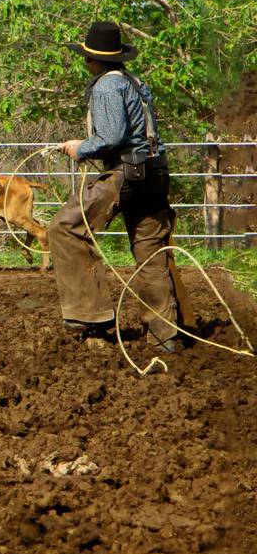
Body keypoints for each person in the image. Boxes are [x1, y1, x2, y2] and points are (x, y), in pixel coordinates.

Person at [50, 21, 188, 352]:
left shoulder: (106, 87)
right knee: (148, 251)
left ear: (93, 60)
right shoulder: (135, 83)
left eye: (86, 57)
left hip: (128, 173)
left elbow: (111, 137)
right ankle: (165, 333)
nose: (85, 63)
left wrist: (80, 148)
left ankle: (90, 316)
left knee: (65, 227)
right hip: (154, 172)